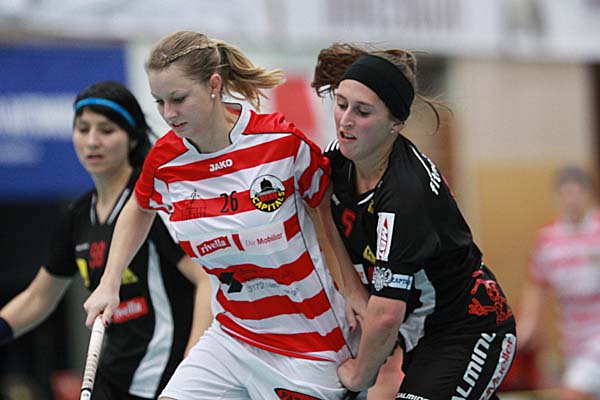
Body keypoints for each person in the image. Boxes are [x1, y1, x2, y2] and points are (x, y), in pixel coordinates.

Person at [83, 31, 357, 400]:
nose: (168, 114)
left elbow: (327, 218)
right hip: (233, 335)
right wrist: (109, 282)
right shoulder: (165, 161)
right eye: (159, 102)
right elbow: (139, 206)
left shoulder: (280, 143)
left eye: (178, 99)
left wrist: (354, 291)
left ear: (214, 85)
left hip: (310, 339)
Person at [311, 42, 517, 399]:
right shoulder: (339, 161)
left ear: (396, 124)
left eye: (362, 112)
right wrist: (352, 288)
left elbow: (386, 315)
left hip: (472, 329)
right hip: (422, 335)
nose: (345, 121)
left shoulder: (405, 194)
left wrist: (360, 375)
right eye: (341, 104)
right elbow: (322, 209)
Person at [0, 81, 212, 400]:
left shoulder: (151, 202)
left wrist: (193, 367)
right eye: (83, 129)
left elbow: (206, 278)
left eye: (107, 130)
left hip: (170, 378)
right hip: (114, 377)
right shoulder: (78, 216)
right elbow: (38, 298)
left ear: (132, 138)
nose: (92, 141)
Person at [518, 165, 600, 400]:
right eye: (565, 194)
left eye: (576, 194)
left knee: (573, 392)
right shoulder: (548, 239)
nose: (571, 201)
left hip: (597, 335)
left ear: (588, 194)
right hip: (572, 338)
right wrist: (527, 324)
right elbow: (537, 283)